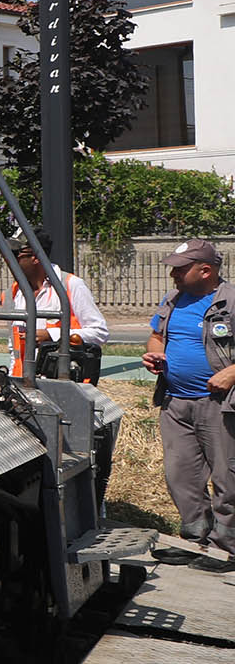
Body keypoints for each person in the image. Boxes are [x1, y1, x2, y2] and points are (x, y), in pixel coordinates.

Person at [141, 239, 235, 568]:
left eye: (181, 269)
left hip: (220, 404)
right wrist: (156, 352)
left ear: (205, 270)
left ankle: (227, 547)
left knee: (227, 477)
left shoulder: (231, 300)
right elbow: (157, 334)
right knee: (181, 473)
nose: (174, 275)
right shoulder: (174, 298)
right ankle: (195, 538)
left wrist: (232, 373)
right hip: (176, 401)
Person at [4, 232, 110, 379]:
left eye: (14, 254)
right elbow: (14, 350)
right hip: (24, 384)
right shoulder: (12, 294)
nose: (7, 260)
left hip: (62, 382)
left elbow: (99, 333)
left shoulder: (70, 285)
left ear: (35, 257)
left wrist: (51, 335)